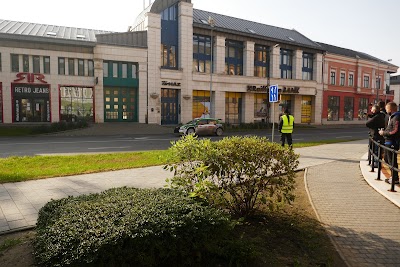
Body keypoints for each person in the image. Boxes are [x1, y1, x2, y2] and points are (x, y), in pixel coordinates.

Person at [379, 102, 400, 185]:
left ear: (390, 109)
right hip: (388, 141)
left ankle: (395, 178)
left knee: (392, 160)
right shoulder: (393, 117)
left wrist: (383, 133)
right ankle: (393, 176)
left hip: (392, 142)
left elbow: (395, 130)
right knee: (388, 159)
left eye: (387, 108)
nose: (386, 110)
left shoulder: (396, 117)